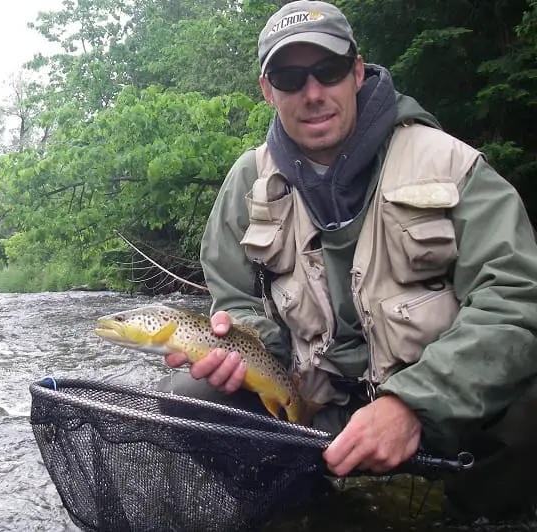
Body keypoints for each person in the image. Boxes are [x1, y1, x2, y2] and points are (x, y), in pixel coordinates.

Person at [158, 0, 537, 521]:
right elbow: (237, 300)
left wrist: (415, 404)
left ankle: (472, 510)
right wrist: (241, 353)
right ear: (268, 91)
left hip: (446, 415)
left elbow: (515, 299)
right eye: (291, 78)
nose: (313, 94)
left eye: (329, 71)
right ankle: (306, 503)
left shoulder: (451, 164)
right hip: (308, 409)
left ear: (356, 71)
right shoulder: (247, 185)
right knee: (188, 393)